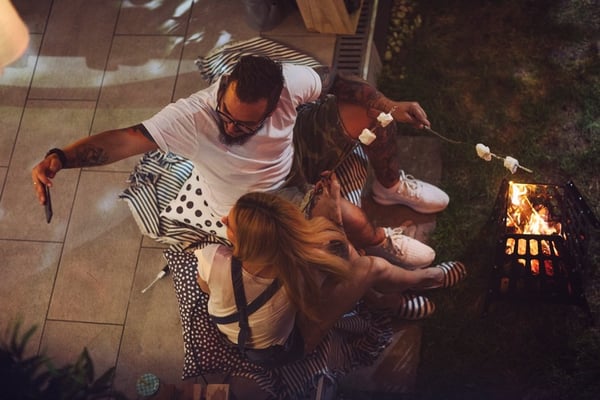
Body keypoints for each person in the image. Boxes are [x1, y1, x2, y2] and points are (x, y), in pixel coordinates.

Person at [31, 55, 443, 269]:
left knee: (377, 116)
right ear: (224, 86)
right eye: (226, 116)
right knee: (345, 222)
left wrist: (387, 104)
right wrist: (61, 157)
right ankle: (381, 243)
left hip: (295, 150)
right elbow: (124, 139)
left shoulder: (290, 82)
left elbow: (337, 82)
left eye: (246, 124)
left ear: (276, 100)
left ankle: (389, 186)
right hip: (262, 197)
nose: (230, 129)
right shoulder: (189, 119)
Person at [195, 173, 466, 361]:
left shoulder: (211, 256)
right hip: (289, 347)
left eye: (228, 222)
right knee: (368, 266)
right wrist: (334, 207)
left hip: (242, 336)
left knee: (347, 259)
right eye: (231, 222)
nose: (221, 219)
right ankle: (422, 280)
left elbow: (203, 285)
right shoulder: (302, 270)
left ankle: (383, 297)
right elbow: (341, 257)